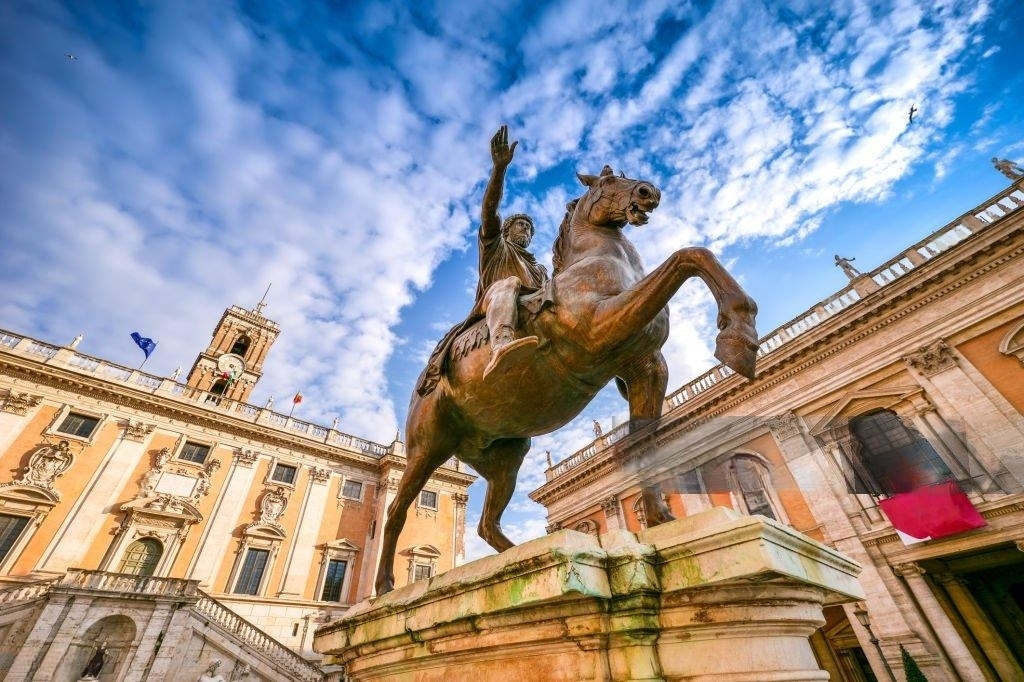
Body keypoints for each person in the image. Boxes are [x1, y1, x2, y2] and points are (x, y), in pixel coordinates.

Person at [419, 125, 549, 393]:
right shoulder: (495, 247)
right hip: (492, 301)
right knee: (509, 283)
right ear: (506, 230)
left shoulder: (539, 270)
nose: (526, 230)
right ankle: (501, 343)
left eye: (529, 228)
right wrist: (500, 169)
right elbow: (489, 209)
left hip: (529, 307)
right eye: (521, 225)